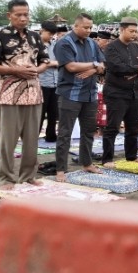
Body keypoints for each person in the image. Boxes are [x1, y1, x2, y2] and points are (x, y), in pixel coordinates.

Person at [0, 0, 52, 189]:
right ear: (9, 16)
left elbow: (45, 60)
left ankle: (29, 175)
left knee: (32, 138)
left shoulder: (35, 36)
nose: (23, 18)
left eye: (26, 14)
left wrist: (37, 70)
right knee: (8, 140)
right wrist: (15, 71)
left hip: (34, 94)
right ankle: (6, 178)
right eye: (19, 15)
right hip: (9, 95)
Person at [53, 13, 106, 181]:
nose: (89, 30)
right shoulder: (64, 43)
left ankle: (87, 162)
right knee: (65, 133)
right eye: (85, 27)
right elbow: (71, 66)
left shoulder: (92, 43)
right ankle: (61, 169)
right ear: (75, 26)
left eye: (91, 27)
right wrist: (94, 65)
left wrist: (94, 68)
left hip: (90, 93)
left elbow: (103, 65)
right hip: (70, 94)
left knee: (88, 131)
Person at [102, 17, 138, 165]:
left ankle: (132, 155)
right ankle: (107, 158)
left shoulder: (137, 47)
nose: (134, 34)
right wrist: (136, 69)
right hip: (116, 93)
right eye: (131, 31)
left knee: (133, 127)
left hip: (135, 92)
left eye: (136, 31)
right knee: (113, 127)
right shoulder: (111, 47)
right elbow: (116, 67)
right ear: (122, 30)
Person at [38, 21, 60, 142]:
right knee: (40, 112)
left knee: (53, 112)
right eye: (49, 33)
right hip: (42, 83)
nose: (51, 36)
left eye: (53, 34)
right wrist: (49, 63)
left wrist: (50, 63)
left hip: (55, 82)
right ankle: (34, 136)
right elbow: (38, 63)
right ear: (42, 30)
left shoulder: (55, 45)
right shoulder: (36, 45)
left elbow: (60, 62)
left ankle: (51, 135)